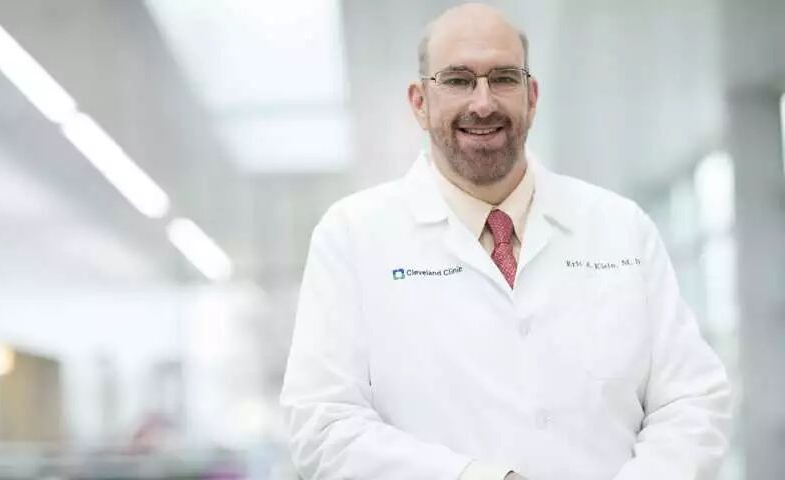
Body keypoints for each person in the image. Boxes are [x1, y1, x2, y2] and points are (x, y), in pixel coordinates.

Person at [280, 3, 731, 480]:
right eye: (457, 80)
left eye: (503, 78)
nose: (483, 103)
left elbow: (691, 400)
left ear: (531, 97)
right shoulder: (352, 237)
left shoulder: (620, 227)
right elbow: (323, 426)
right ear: (419, 102)